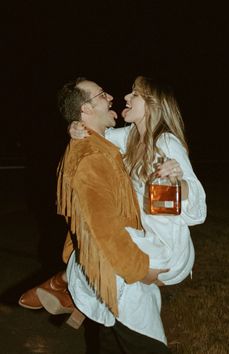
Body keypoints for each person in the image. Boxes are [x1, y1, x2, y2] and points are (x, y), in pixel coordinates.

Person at [21, 76, 171, 354]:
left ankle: (68, 284)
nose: (113, 98)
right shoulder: (92, 156)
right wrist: (141, 270)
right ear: (86, 110)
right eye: (102, 95)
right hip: (119, 279)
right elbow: (104, 228)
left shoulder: (104, 144)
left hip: (108, 272)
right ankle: (69, 283)